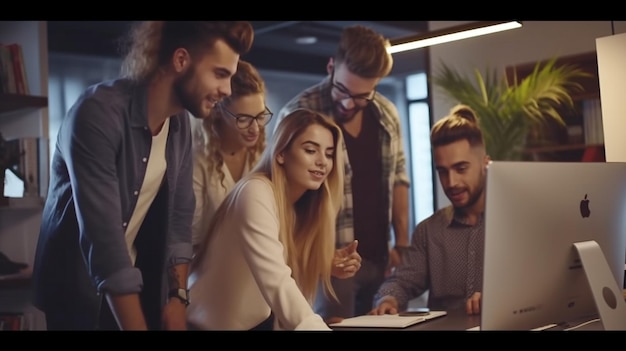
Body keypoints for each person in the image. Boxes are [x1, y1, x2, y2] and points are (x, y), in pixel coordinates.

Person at [31, 21, 254, 330]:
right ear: (180, 60)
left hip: (131, 282)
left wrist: (177, 299)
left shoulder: (178, 128)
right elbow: (105, 242)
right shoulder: (96, 113)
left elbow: (179, 220)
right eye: (220, 74)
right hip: (77, 288)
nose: (227, 90)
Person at [275, 24, 411, 320]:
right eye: (343, 90)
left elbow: (400, 178)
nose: (349, 103)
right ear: (331, 66)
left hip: (381, 257)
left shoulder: (387, 114)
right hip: (329, 262)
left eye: (362, 95)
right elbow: (284, 202)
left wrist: (401, 243)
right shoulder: (298, 114)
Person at [187, 108, 362, 330]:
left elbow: (284, 286)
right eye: (310, 150)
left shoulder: (299, 208)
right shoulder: (255, 192)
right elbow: (276, 280)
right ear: (281, 153)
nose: (322, 162)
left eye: (328, 154)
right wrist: (314, 325)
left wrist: (322, 264)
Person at [369, 104, 489, 316]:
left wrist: (496, 297)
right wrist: (388, 299)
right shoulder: (429, 231)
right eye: (442, 171)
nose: (451, 183)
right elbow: (401, 281)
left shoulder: (515, 225)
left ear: (485, 164)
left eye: (461, 169)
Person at [190, 59, 269, 253]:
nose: (255, 128)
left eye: (260, 116)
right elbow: (191, 239)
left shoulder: (264, 153)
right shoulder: (198, 158)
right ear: (218, 112)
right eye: (243, 119)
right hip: (207, 268)